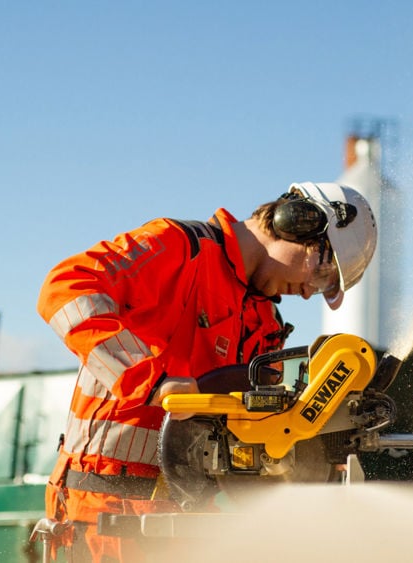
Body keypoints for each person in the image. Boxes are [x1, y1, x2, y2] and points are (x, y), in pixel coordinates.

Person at [36, 181, 377, 561]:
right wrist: (154, 382)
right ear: (297, 222)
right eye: (321, 273)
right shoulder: (180, 248)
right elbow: (66, 287)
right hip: (104, 504)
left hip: (189, 516)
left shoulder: (265, 322)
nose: (310, 292)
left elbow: (251, 437)